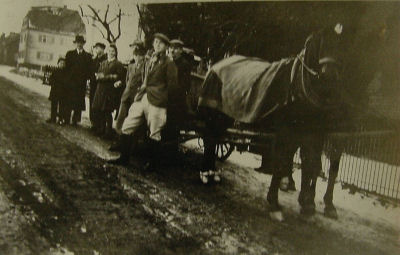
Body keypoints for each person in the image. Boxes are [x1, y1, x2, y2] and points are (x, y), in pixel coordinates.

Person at [108, 33, 178, 166]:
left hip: (157, 101)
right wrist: (140, 93)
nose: (157, 45)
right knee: (128, 124)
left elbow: (173, 86)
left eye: (160, 43)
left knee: (154, 132)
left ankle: (153, 164)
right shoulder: (151, 59)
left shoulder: (169, 63)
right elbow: (146, 78)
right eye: (155, 42)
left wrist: (163, 99)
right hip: (143, 97)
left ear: (166, 47)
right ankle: (124, 158)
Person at [109, 40, 146, 151]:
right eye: (135, 55)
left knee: (132, 123)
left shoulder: (145, 67)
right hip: (126, 96)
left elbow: (144, 82)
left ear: (142, 56)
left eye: (139, 55)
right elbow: (127, 81)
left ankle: (131, 146)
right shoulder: (131, 66)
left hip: (136, 98)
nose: (137, 57)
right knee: (120, 120)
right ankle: (118, 143)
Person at [164, 39, 194, 157]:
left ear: (181, 50)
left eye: (176, 48)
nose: (172, 50)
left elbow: (184, 86)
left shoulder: (184, 64)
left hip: (176, 102)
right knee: (164, 127)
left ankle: (170, 155)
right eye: (171, 48)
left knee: (172, 129)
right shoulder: (167, 61)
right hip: (166, 98)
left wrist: (171, 92)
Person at [92, 44, 126, 138]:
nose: (110, 52)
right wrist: (102, 77)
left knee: (107, 111)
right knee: (100, 110)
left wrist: (106, 77)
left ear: (115, 52)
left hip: (109, 90)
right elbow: (98, 75)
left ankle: (108, 132)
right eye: (109, 50)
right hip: (100, 89)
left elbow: (118, 77)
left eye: (113, 51)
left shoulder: (118, 64)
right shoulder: (103, 62)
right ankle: (101, 129)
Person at [65, 35, 93, 126]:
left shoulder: (88, 56)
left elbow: (89, 70)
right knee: (68, 100)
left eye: (81, 43)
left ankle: (75, 120)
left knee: (78, 101)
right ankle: (66, 118)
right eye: (78, 42)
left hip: (81, 83)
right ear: (75, 43)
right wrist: (67, 79)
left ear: (83, 44)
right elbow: (66, 68)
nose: (79, 44)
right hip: (71, 81)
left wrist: (87, 79)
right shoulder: (70, 54)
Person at [90, 42, 107, 131]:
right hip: (93, 84)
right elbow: (91, 70)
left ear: (103, 49)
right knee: (92, 103)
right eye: (95, 48)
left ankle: (100, 125)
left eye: (98, 48)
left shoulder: (106, 59)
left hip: (101, 85)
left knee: (100, 104)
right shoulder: (94, 59)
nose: (96, 50)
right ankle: (93, 123)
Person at [46, 57, 68, 124]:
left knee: (62, 106)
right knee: (54, 105)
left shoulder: (66, 73)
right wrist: (52, 83)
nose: (62, 64)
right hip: (55, 91)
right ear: (58, 64)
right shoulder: (55, 71)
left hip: (63, 92)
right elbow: (51, 80)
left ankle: (60, 119)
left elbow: (67, 82)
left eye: (63, 63)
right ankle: (53, 118)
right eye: (60, 63)